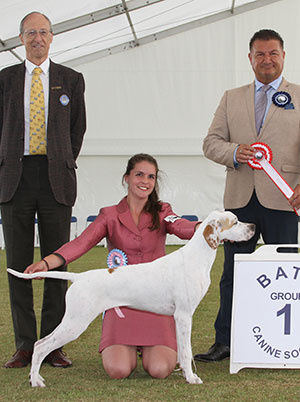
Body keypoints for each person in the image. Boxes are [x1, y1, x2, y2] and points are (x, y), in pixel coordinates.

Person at [25, 153, 200, 379]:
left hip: (155, 303)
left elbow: (182, 226)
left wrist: (205, 227)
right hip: (120, 301)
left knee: (160, 369)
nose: (145, 181)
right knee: (118, 370)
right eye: (139, 175)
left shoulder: (163, 211)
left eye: (151, 177)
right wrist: (47, 263)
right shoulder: (109, 215)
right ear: (126, 178)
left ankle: (154, 349)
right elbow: (81, 243)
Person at [194, 29, 300, 363]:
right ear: (250, 58)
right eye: (260, 54)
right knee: (232, 273)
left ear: (284, 55)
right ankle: (224, 341)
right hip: (239, 201)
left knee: (286, 272)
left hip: (284, 200)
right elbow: (210, 142)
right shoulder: (231, 97)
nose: (266, 60)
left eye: (273, 53)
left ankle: (286, 338)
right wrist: (235, 152)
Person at [1, 12, 86, 368]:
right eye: (30, 32)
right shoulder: (4, 79)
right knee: (18, 265)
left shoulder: (71, 79)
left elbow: (77, 130)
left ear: (52, 38)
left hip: (55, 179)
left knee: (56, 263)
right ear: (21, 39)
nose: (37, 38)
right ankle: (24, 345)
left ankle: (52, 344)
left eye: (43, 32)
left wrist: (61, 159)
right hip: (14, 179)